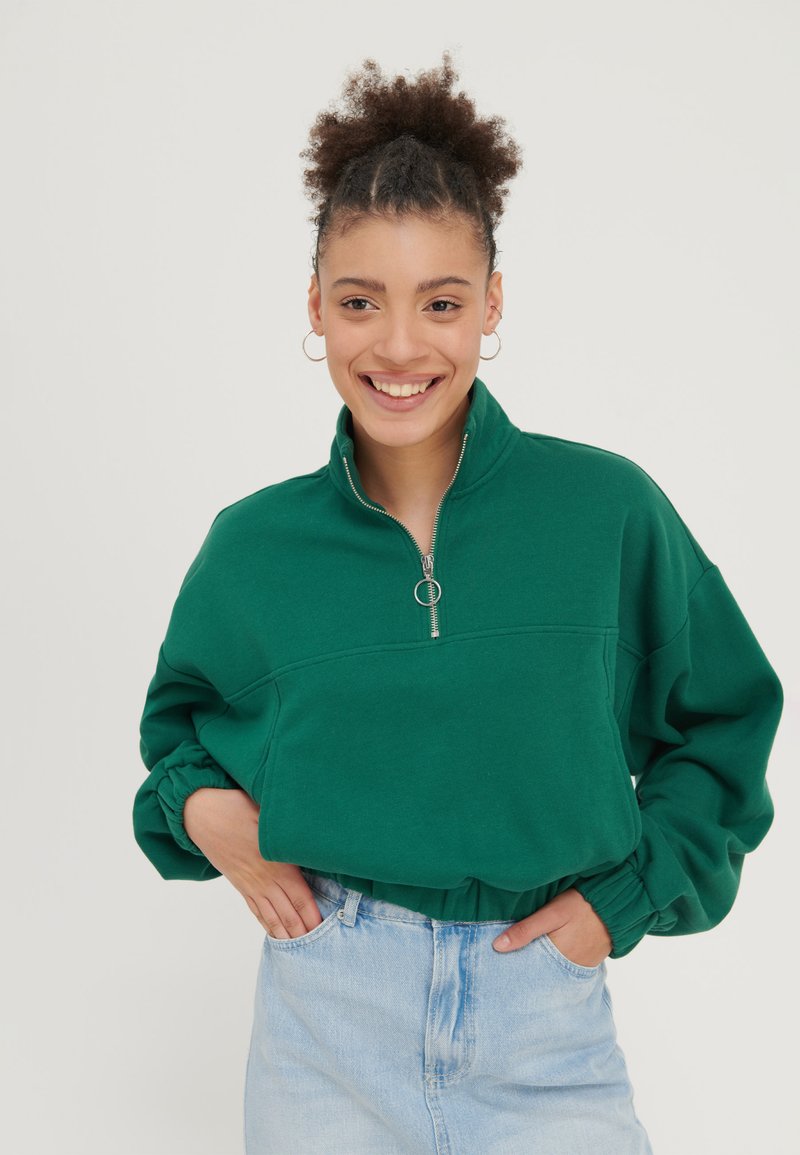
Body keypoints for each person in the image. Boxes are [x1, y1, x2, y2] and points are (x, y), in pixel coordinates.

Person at [132, 54, 784, 1155]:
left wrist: (620, 903)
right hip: (323, 1020)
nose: (398, 346)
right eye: (359, 302)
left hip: (543, 1018)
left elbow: (723, 721)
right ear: (314, 306)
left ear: (491, 304)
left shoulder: (606, 511)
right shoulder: (253, 547)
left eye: (440, 302)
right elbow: (178, 732)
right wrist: (201, 811)